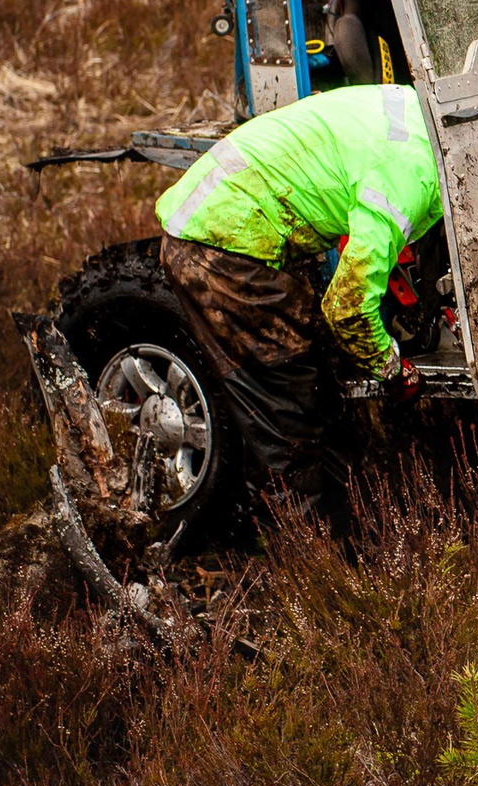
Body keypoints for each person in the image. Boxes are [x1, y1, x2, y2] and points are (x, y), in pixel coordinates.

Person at [152, 83, 443, 507]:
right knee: (287, 400)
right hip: (216, 242)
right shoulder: (406, 182)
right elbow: (347, 308)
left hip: (230, 216)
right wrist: (393, 370)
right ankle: (300, 534)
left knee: (312, 378)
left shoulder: (422, 110)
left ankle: (331, 515)